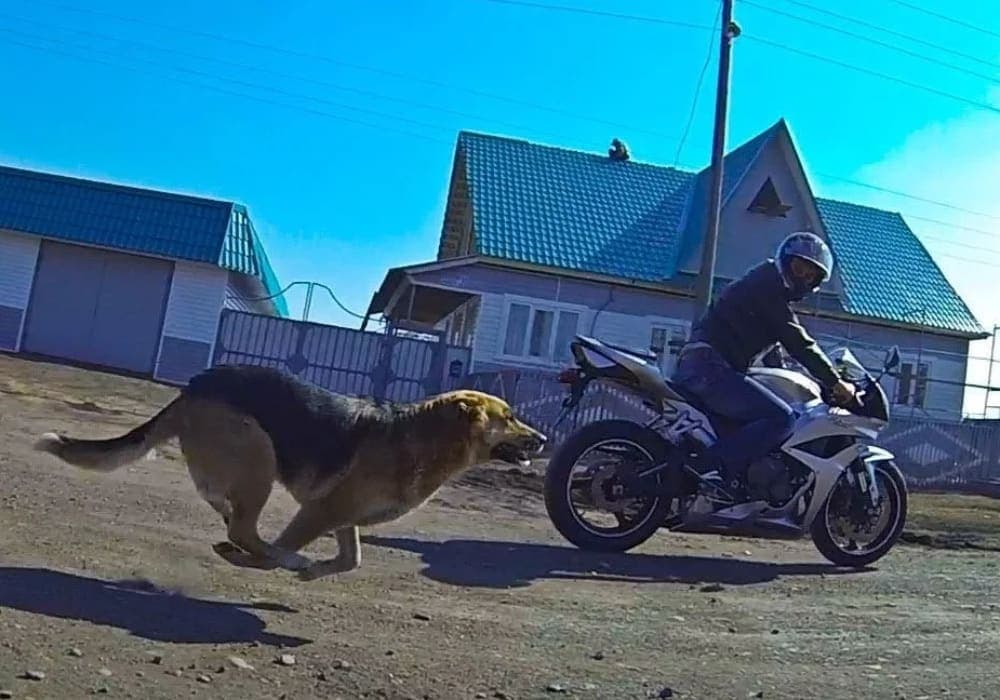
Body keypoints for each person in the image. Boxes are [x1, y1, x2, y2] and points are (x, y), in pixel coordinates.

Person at [672, 231, 856, 504]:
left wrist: (806, 382)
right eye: (799, 268)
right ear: (785, 260)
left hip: (705, 367)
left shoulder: (766, 289)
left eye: (811, 275)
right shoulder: (767, 285)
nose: (803, 277)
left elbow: (775, 357)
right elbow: (799, 342)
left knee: (768, 411)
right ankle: (711, 471)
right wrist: (835, 382)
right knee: (781, 419)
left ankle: (732, 484)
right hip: (709, 368)